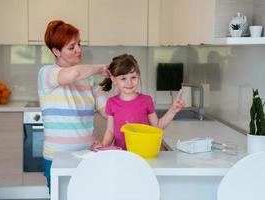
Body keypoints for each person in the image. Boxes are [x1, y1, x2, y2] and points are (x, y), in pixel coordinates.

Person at [38, 20, 108, 193]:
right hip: (57, 158)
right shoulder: (46, 73)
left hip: (87, 155)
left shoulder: (89, 79)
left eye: (79, 44)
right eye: (71, 47)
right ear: (56, 51)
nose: (78, 49)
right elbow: (74, 73)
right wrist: (101, 69)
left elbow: (108, 111)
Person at [91, 54, 184, 150]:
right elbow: (110, 131)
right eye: (123, 78)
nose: (129, 82)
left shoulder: (146, 100)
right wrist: (103, 146)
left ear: (138, 76)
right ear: (114, 80)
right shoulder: (111, 102)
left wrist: (173, 110)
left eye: (133, 77)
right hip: (122, 155)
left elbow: (157, 126)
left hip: (143, 153)